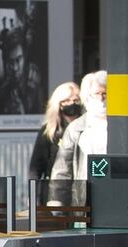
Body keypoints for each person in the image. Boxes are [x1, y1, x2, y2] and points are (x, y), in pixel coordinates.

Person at [49, 71, 107, 206]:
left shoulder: (122, 125)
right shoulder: (76, 128)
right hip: (85, 198)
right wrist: (56, 201)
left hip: (115, 191)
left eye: (105, 94)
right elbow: (63, 168)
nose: (101, 99)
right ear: (87, 96)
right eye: (97, 94)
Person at [28, 81, 81, 181]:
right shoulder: (49, 130)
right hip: (56, 185)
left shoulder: (87, 128)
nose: (72, 104)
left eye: (76, 100)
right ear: (59, 104)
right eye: (67, 101)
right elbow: (36, 166)